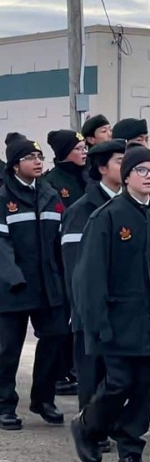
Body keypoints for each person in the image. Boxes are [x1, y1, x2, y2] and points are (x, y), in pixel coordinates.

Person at [69, 144, 150, 462]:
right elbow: (89, 277)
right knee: (119, 381)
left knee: (144, 385)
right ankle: (88, 425)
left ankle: (131, 452)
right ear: (127, 176)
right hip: (117, 321)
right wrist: (97, 325)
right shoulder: (107, 217)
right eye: (142, 171)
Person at [0, 133, 69, 431]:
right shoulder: (3, 198)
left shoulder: (50, 195)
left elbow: (61, 242)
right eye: (30, 157)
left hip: (49, 285)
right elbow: (1, 245)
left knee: (55, 338)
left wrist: (64, 279)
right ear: (15, 165)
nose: (38, 161)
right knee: (8, 348)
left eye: (40, 157)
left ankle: (43, 398)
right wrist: (14, 278)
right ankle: (4, 405)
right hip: (13, 287)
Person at [60, 140, 125, 432]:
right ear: (101, 168)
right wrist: (82, 306)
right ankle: (89, 429)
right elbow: (75, 267)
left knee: (117, 372)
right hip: (90, 305)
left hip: (125, 305)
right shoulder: (81, 210)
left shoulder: (131, 204)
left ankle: (108, 424)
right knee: (91, 371)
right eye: (120, 161)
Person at [42, 128, 89, 397]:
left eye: (84, 148)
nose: (84, 152)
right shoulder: (52, 183)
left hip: (87, 254)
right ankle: (59, 373)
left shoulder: (87, 177)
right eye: (78, 148)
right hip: (63, 258)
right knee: (63, 320)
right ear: (64, 153)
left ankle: (71, 368)